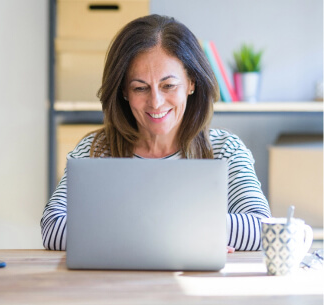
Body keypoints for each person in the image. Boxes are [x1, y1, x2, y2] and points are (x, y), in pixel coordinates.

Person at [41, 14, 271, 251]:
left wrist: (126, 231)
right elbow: (53, 227)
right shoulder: (96, 150)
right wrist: (184, 233)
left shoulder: (226, 150)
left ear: (192, 82)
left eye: (168, 86)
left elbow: (264, 229)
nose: (156, 102)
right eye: (140, 88)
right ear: (123, 92)